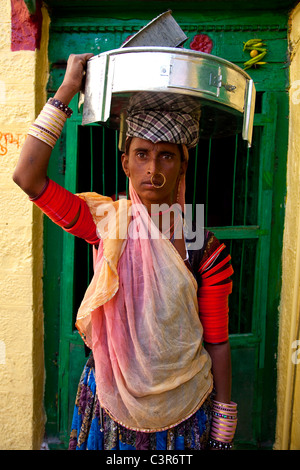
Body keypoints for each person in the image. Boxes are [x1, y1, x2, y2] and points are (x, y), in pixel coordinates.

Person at [13, 53, 237, 451]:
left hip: (185, 409)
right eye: (142, 154)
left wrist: (223, 423)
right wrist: (66, 91)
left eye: (167, 154)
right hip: (110, 402)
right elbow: (27, 177)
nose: (154, 168)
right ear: (126, 164)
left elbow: (217, 341)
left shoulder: (206, 249)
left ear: (183, 166)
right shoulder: (105, 225)